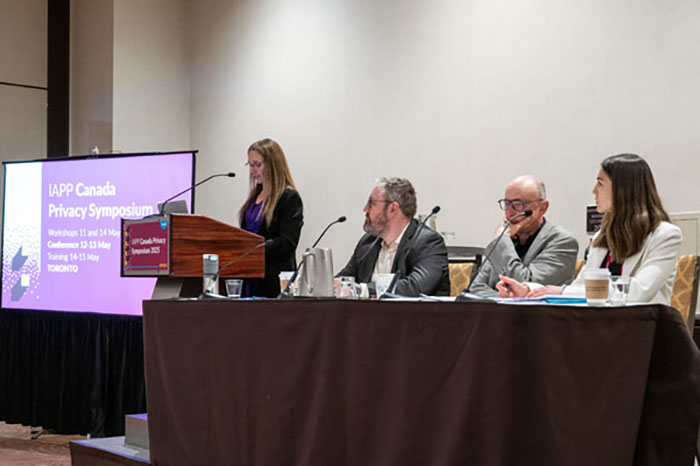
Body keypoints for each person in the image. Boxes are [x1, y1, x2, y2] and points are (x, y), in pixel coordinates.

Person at [498, 154, 681, 305]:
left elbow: (638, 292)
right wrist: (529, 290)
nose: (594, 191)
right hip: (598, 327)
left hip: (642, 331)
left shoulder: (665, 236)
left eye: (600, 183)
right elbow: (580, 287)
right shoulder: (603, 235)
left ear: (622, 190)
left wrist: (563, 290)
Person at [468, 175, 579, 297]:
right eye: (507, 203)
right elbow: (475, 288)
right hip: (497, 314)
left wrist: (502, 241)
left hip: (538, 314)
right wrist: (503, 298)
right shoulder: (507, 239)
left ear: (543, 207)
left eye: (518, 204)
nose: (510, 212)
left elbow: (527, 286)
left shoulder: (562, 242)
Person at [337, 177, 450, 296]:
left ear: (392, 208)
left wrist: (363, 290)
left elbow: (415, 287)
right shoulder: (368, 242)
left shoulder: (428, 243)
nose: (365, 209)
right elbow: (344, 279)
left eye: (371, 203)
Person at [239, 138, 303, 297]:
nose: (252, 171)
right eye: (250, 165)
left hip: (273, 283)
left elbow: (287, 242)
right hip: (249, 277)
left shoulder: (288, 198)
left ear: (273, 165)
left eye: (257, 165)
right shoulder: (254, 197)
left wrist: (254, 249)